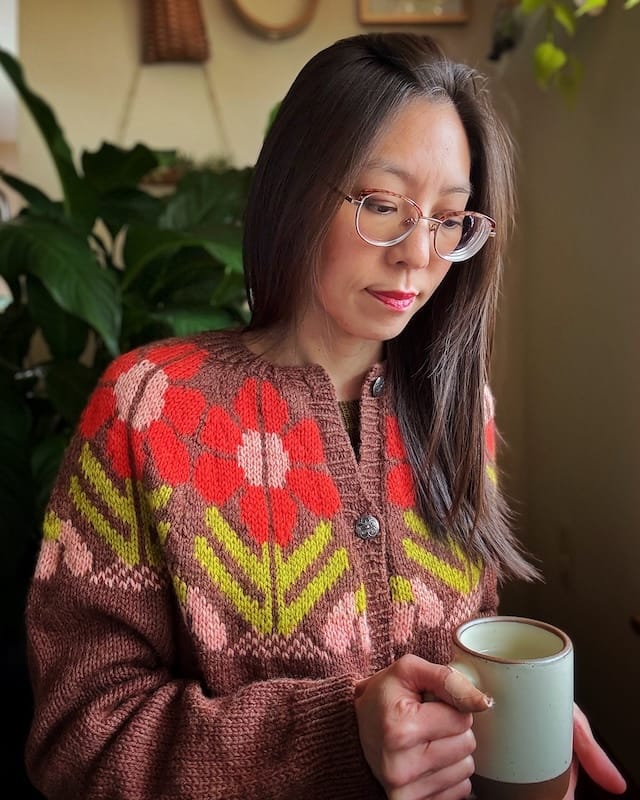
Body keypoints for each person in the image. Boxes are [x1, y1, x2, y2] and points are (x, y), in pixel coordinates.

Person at [24, 33, 626, 800]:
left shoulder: (459, 410)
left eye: (450, 219)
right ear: (296, 187)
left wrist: (512, 721)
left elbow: (464, 656)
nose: (418, 255)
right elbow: (81, 740)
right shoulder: (148, 410)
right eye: (382, 205)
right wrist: (337, 735)